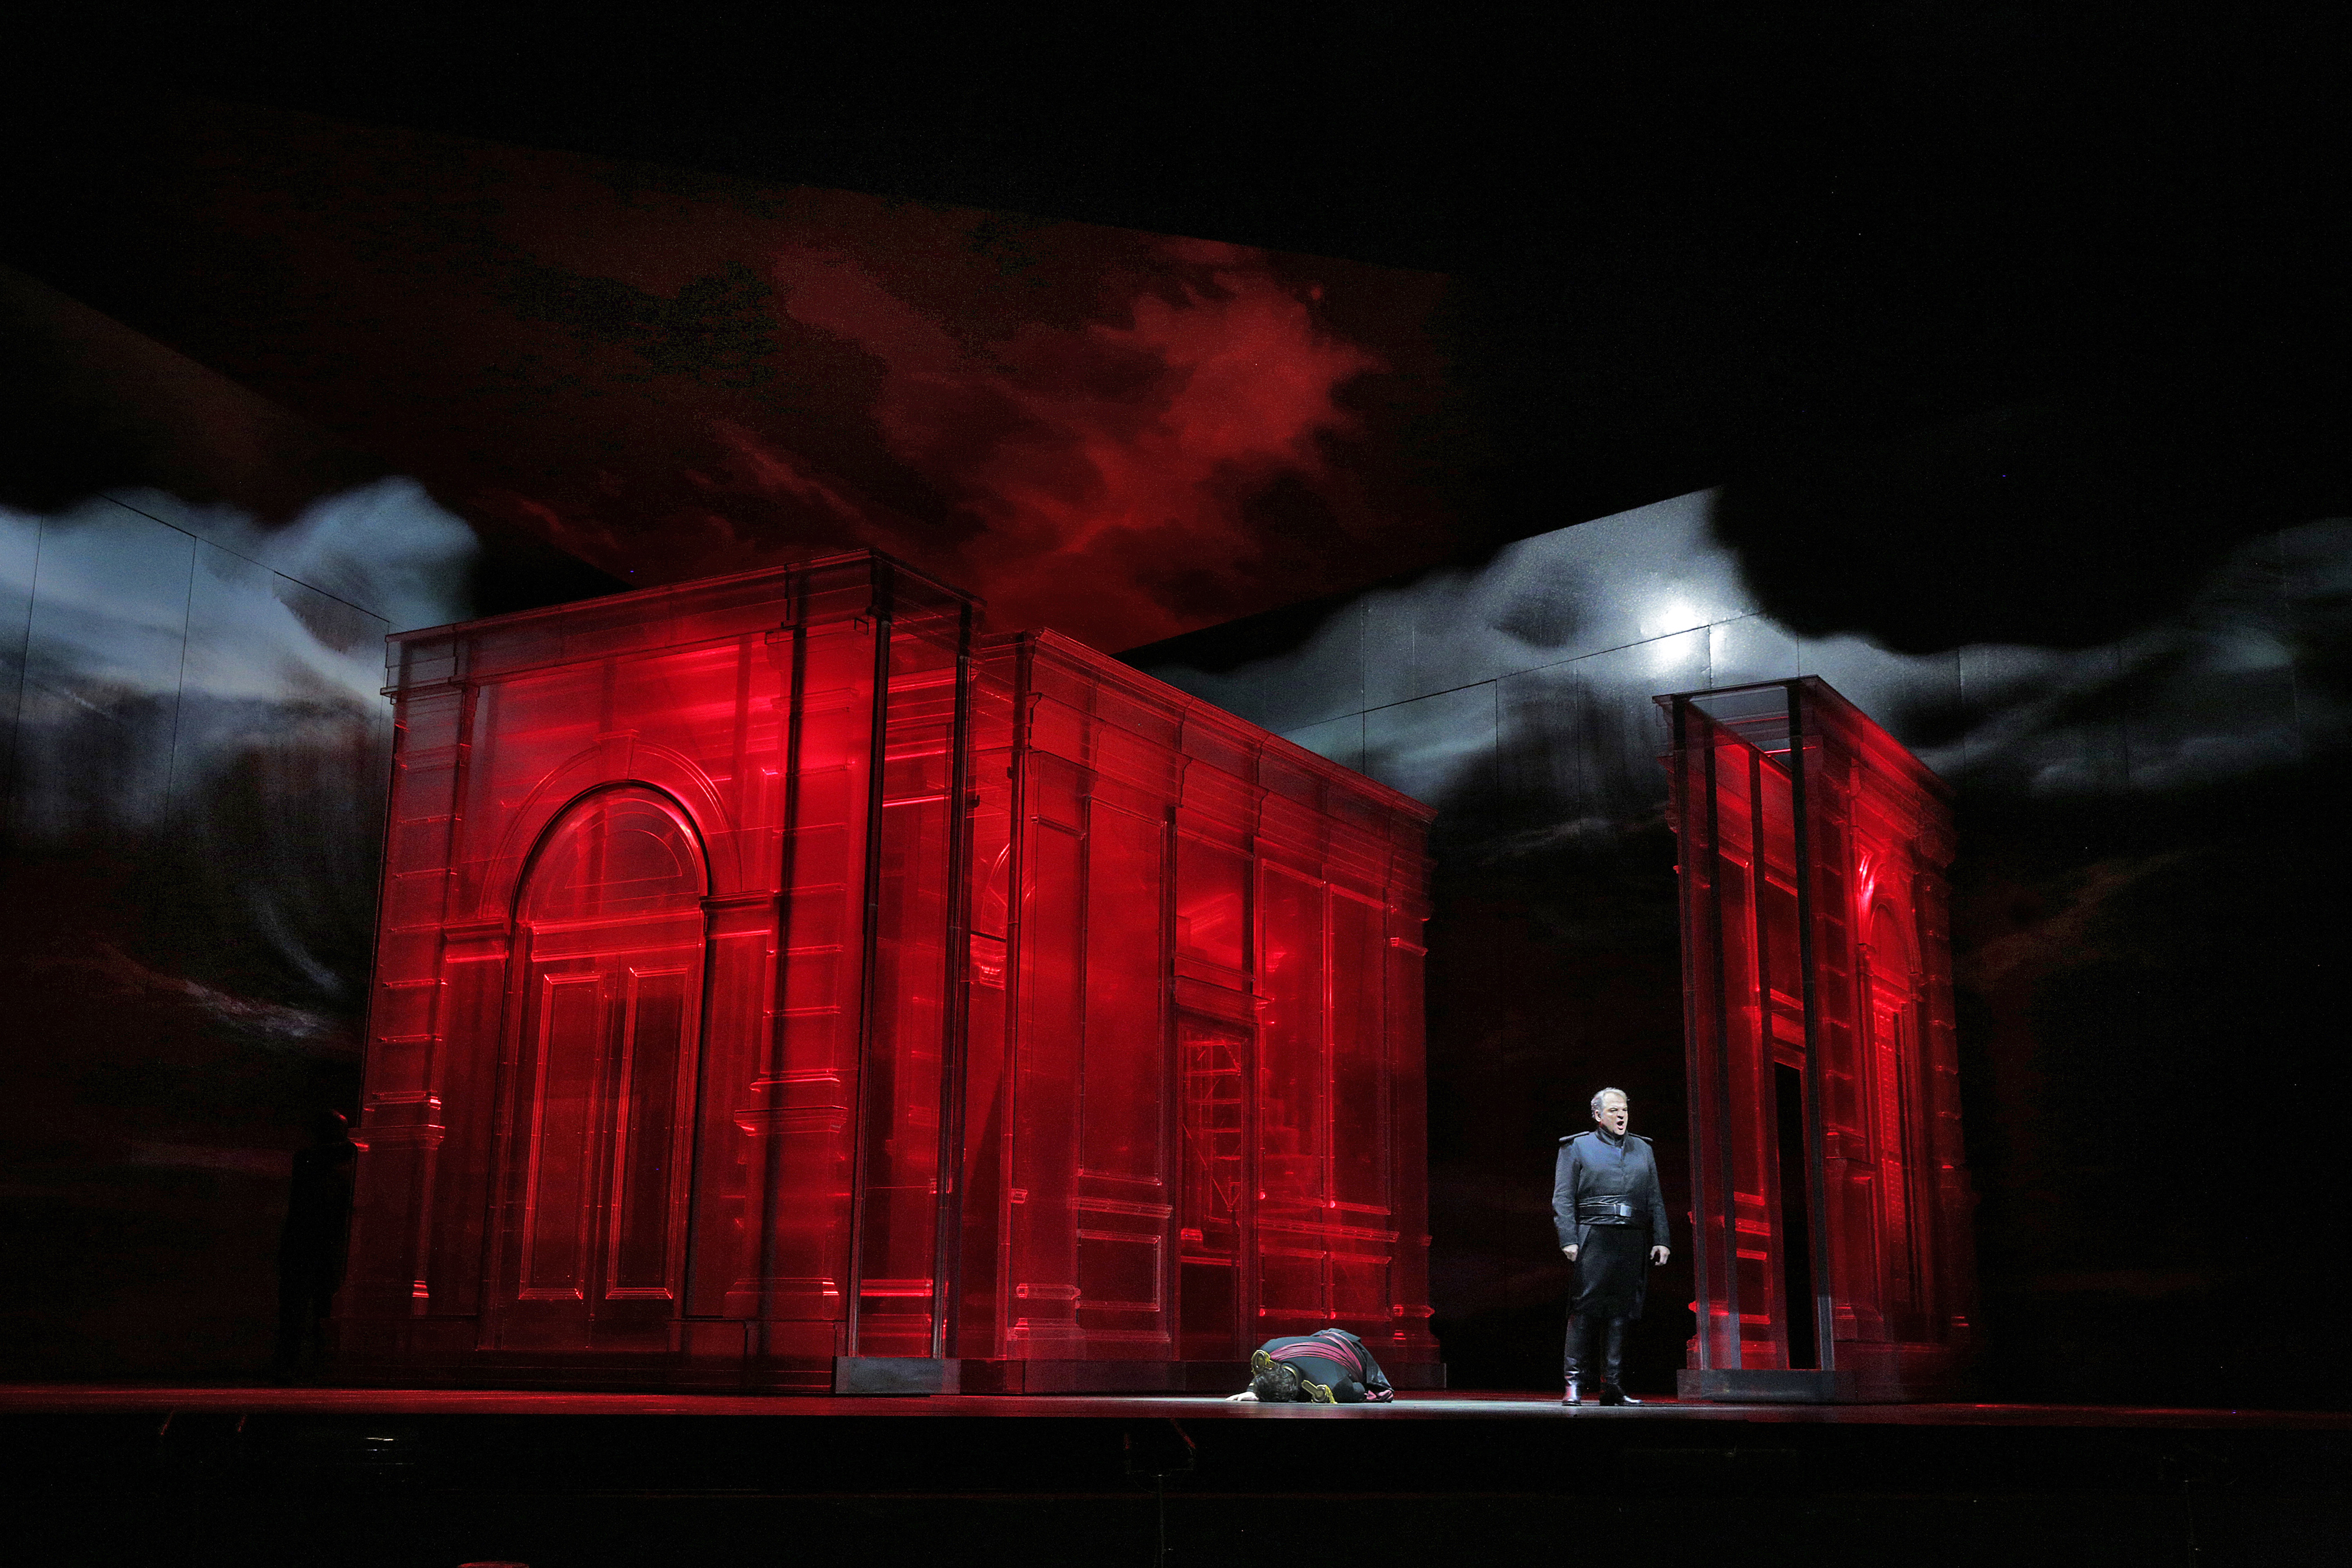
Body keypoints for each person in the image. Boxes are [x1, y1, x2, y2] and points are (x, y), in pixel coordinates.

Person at [1553, 1087, 1669, 1405]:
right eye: (1614, 1110)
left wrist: (1661, 1239)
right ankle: (1573, 1384)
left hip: (1632, 1236)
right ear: (1598, 1115)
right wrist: (1569, 1238)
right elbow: (1563, 1197)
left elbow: (1654, 1197)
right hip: (1594, 1235)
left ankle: (1613, 1387)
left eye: (1625, 1110)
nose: (1621, 1116)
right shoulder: (1578, 1146)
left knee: (1622, 1311)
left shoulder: (1643, 1149)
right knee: (1584, 1309)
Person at [271, 1108, 359, 1384]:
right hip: (322, 1244)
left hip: (308, 1244)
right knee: (315, 1308)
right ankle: (313, 1365)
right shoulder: (324, 1159)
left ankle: (297, 1365)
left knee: (303, 1309)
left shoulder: (308, 1159)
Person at [1223, 1327, 1396, 1404]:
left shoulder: (1334, 1386)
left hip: (1353, 1350)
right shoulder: (1269, 1350)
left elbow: (1359, 1388)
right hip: (1324, 1338)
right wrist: (1253, 1391)